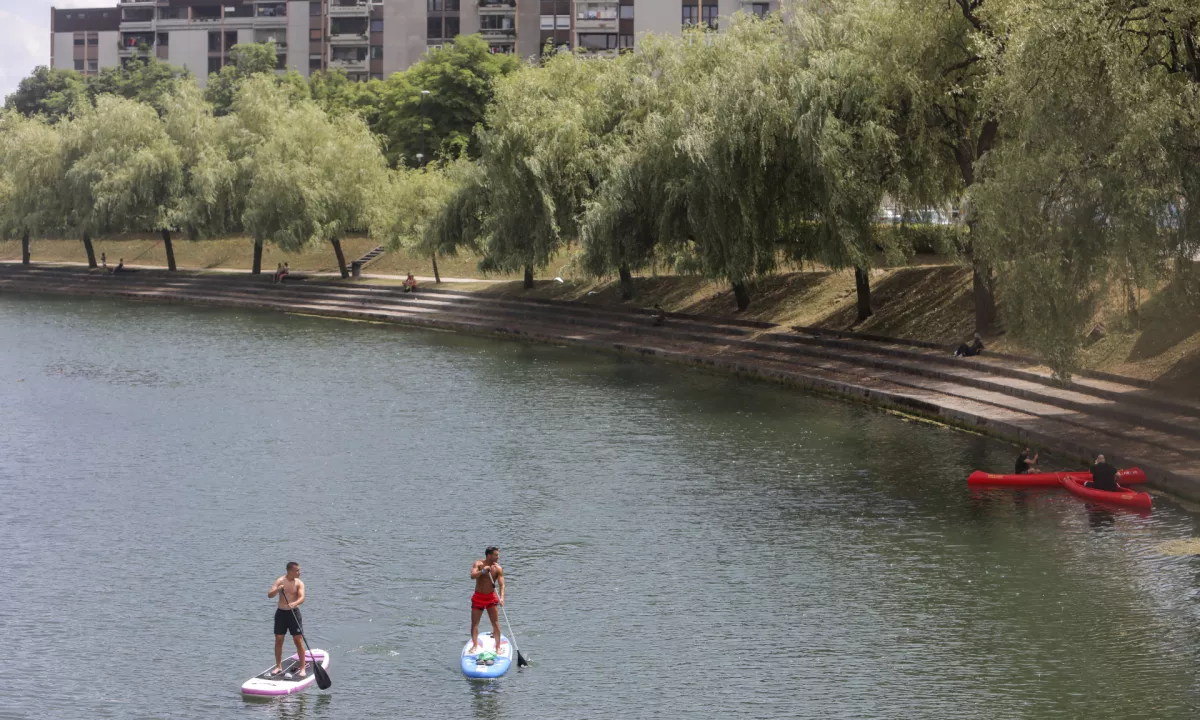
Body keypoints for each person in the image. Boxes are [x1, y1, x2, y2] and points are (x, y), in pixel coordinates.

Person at [267, 562, 307, 677]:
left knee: (297, 640)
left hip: (294, 613)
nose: (299, 572)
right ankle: (278, 666)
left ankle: (303, 668)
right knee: (279, 640)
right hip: (281, 614)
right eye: (297, 570)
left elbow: (302, 597)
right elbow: (270, 595)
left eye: (299, 570)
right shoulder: (280, 580)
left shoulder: (299, 583)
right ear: (290, 571)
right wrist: (277, 590)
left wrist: (295, 603)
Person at [469, 547, 505, 653]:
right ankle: (475, 645)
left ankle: (498, 647)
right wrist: (483, 571)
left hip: (491, 597)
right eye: (496, 555)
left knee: (495, 623)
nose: (498, 557)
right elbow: (472, 576)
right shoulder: (478, 564)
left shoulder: (498, 568)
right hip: (478, 597)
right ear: (489, 556)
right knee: (475, 623)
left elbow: (502, 584)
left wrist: (502, 597)